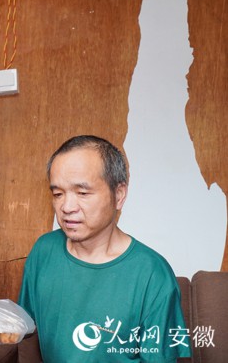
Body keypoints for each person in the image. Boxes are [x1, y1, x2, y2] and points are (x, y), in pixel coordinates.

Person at [18, 135, 191, 362]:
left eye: (82, 193)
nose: (66, 207)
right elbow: (23, 329)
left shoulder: (152, 273)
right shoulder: (44, 251)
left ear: (118, 195)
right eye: (58, 194)